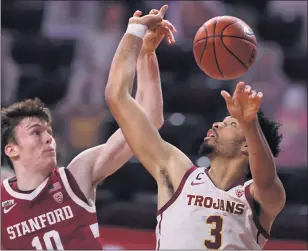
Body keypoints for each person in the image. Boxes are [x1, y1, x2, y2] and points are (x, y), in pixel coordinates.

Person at [105, 5, 286, 249]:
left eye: (230, 123)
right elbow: (117, 97)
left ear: (247, 145)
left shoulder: (261, 198)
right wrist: (137, 40)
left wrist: (250, 124)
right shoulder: (177, 172)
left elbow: (266, 179)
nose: (216, 124)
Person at [1, 13, 176, 250]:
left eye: (49, 131)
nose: (48, 138)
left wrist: (145, 53)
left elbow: (148, 121)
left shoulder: (76, 176)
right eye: (36, 132)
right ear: (11, 149)